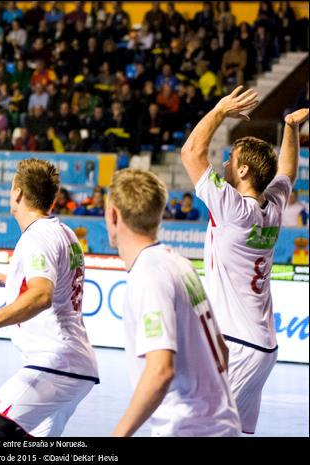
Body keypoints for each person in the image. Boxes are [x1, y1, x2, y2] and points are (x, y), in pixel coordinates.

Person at [180, 85, 308, 434]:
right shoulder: (274, 204)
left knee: (196, 428)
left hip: (237, 346)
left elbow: (191, 152)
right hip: (262, 346)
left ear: (246, 172)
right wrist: (291, 128)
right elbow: (288, 173)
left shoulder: (234, 209)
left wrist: (220, 110)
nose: (224, 164)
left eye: (232, 160)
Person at [0, 158, 99, 437]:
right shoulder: (64, 232)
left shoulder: (36, 237)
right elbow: (56, 284)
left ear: (17, 192)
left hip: (55, 364)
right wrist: (13, 281)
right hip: (77, 366)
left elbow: (42, 295)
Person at [105, 169, 241, 437]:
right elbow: (222, 351)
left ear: (113, 215)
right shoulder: (179, 263)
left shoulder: (149, 273)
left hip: (190, 429)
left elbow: (160, 370)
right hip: (218, 424)